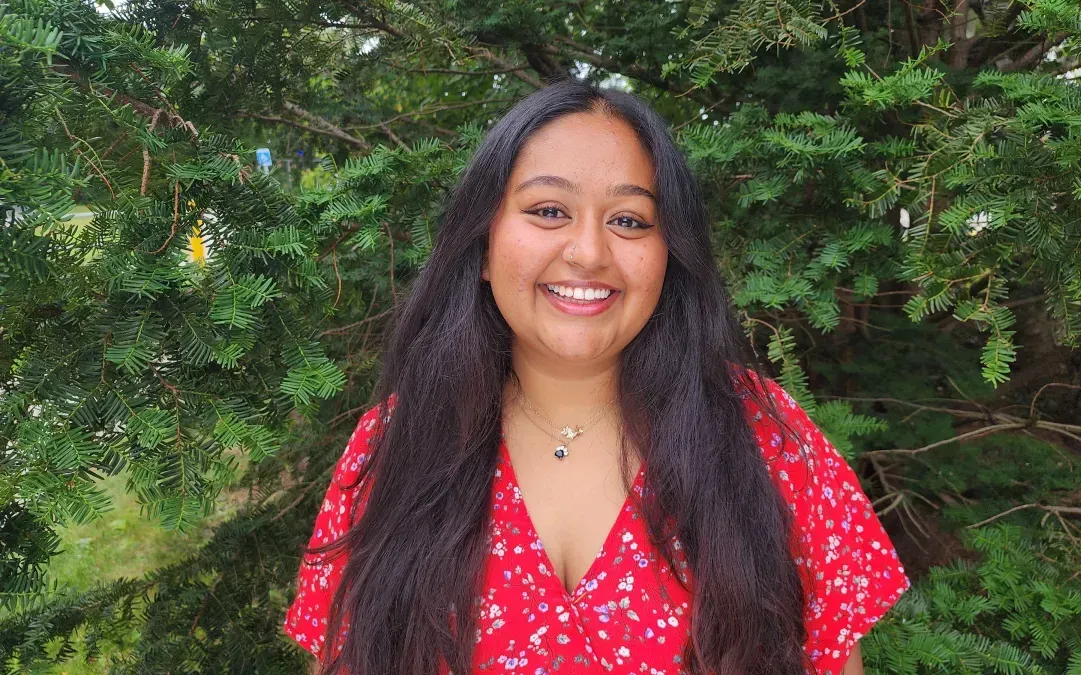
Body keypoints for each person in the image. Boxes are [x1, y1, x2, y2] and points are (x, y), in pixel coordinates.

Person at [282, 76, 910, 675]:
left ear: (670, 255)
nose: (588, 252)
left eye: (629, 220)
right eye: (549, 210)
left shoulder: (764, 437)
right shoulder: (397, 442)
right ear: (483, 244)